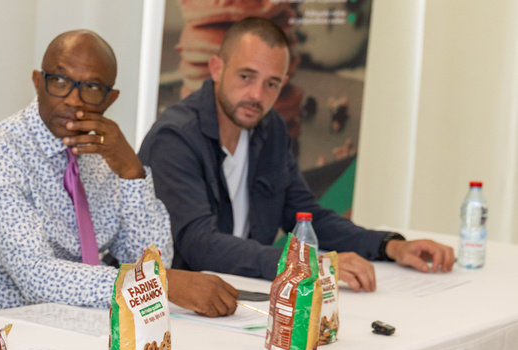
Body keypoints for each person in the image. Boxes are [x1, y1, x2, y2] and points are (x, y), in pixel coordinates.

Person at [139, 17, 455, 290]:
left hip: (243, 297)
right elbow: (199, 244)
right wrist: (310, 263)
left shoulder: (270, 127)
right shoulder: (176, 139)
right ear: (216, 68)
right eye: (246, 77)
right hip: (176, 309)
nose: (257, 95)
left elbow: (306, 216)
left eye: (272, 84)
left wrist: (391, 246)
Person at [0, 30, 239, 316]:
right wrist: (158, 283)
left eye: (91, 87)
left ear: (109, 99)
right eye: (61, 81)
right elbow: (37, 278)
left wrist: (131, 171)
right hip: (9, 332)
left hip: (88, 325)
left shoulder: (102, 154)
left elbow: (151, 260)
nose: (74, 100)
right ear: (38, 82)